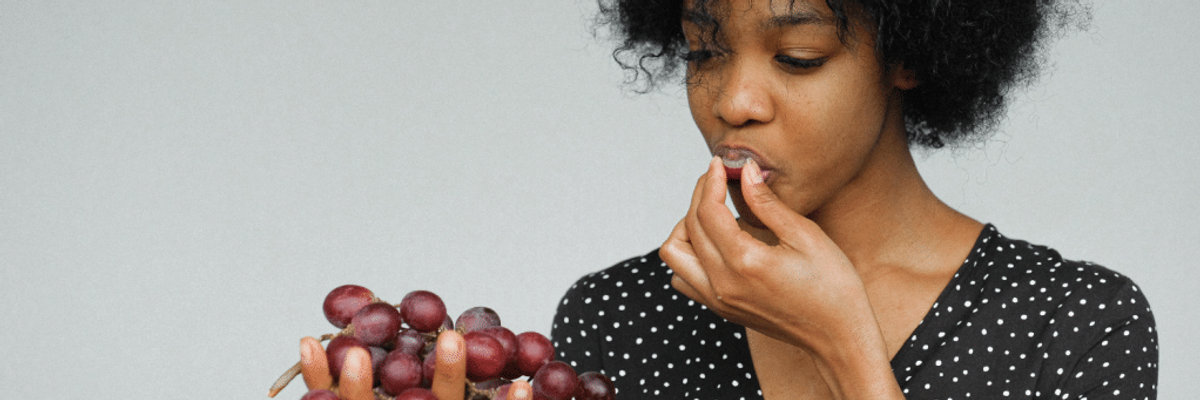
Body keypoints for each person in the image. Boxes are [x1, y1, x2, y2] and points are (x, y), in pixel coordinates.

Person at [549, 0, 1157, 399]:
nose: (733, 103)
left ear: (908, 57)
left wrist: (844, 347)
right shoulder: (616, 315)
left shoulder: (1077, 323)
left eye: (797, 58)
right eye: (704, 51)